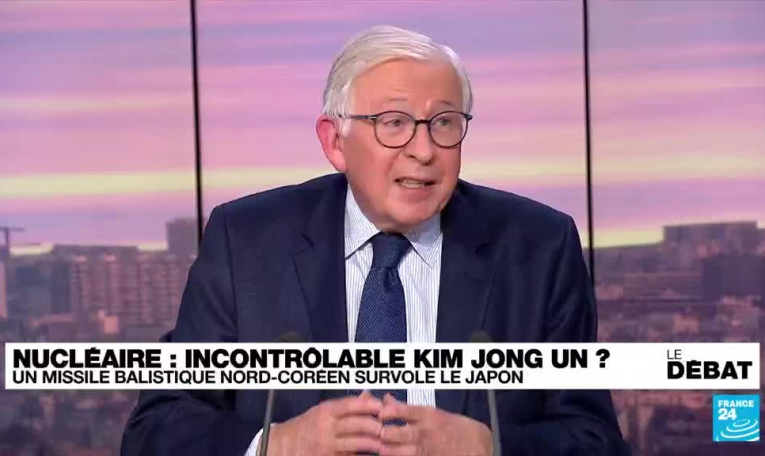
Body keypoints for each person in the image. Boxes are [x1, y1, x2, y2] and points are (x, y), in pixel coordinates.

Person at [122, 25, 627, 456]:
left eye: (444, 123)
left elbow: (594, 438)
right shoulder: (246, 242)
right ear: (335, 142)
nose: (424, 150)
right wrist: (275, 444)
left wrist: (488, 446)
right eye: (394, 124)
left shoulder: (539, 247)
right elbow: (156, 428)